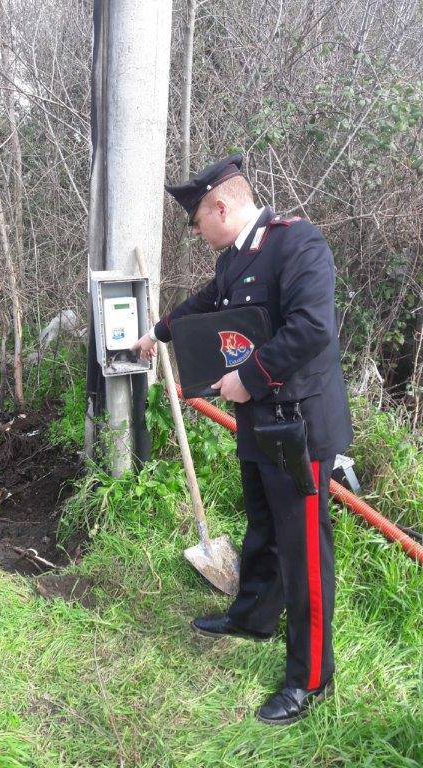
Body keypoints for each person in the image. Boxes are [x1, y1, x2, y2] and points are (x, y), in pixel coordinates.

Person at [132, 153, 353, 726]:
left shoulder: (298, 243)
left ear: (221, 206)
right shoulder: (238, 257)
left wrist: (247, 377)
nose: (197, 231)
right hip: (262, 424)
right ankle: (253, 617)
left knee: (304, 550)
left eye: (197, 219)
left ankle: (310, 677)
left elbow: (313, 328)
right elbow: (208, 303)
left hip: (298, 427)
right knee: (264, 527)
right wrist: (158, 333)